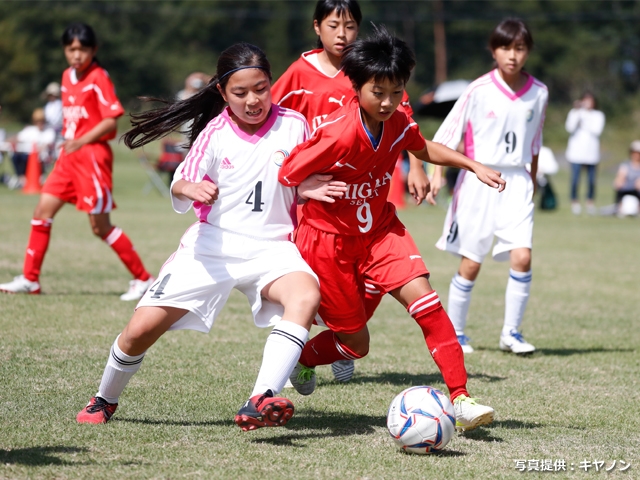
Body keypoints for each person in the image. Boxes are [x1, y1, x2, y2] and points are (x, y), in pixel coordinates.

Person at [76, 42, 347, 431]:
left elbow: (297, 174)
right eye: (240, 93)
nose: (253, 100)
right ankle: (105, 397)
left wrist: (305, 187)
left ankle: (261, 398)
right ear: (222, 92)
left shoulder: (294, 124)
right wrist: (189, 189)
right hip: (213, 247)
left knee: (304, 295)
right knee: (139, 331)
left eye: (261, 88)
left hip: (273, 248)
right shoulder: (215, 132)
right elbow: (181, 180)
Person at [279, 26, 505, 432]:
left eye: (396, 92)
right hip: (328, 241)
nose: (387, 102)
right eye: (377, 92)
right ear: (357, 86)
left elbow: (422, 147)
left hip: (381, 231)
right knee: (355, 344)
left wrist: (472, 164)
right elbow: (287, 171)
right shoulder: (337, 132)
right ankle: (304, 357)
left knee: (428, 305)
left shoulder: (399, 119)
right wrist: (306, 184)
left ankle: (461, 398)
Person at [272, 0, 430, 383]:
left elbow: (405, 123)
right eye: (333, 25)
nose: (342, 35)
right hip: (317, 198)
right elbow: (270, 120)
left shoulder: (372, 71)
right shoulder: (299, 73)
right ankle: (303, 354)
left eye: (350, 26)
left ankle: (340, 339)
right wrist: (297, 178)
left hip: (368, 192)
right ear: (316, 27)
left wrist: (418, 166)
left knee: (371, 278)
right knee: (312, 283)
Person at [0, 23, 154, 301]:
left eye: (83, 49)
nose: (77, 55)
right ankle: (30, 280)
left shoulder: (98, 77)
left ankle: (144, 280)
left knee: (100, 226)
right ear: (65, 50)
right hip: (68, 157)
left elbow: (111, 119)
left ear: (93, 50)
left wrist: (81, 140)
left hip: (92, 157)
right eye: (71, 49)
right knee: (41, 212)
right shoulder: (66, 77)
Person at [428, 18, 548, 355]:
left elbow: (535, 142)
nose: (513, 55)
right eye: (506, 47)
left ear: (528, 52)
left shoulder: (539, 92)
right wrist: (436, 173)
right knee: (471, 262)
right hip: (479, 180)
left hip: (518, 182)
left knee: (522, 257)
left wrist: (532, 179)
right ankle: (457, 334)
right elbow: (448, 133)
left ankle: (512, 333)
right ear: (494, 50)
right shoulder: (478, 89)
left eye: (520, 48)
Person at [565, 92, 605, 215]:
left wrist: (585, 118)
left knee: (591, 181)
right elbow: (569, 128)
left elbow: (597, 130)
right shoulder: (575, 112)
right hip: (576, 153)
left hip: (591, 153)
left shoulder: (598, 115)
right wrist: (577, 112)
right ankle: (575, 202)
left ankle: (590, 202)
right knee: (575, 180)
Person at [8, 108, 55, 190]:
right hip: (26, 156)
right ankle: (22, 179)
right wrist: (9, 142)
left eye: (41, 121)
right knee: (15, 156)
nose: (40, 123)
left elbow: (48, 144)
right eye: (38, 121)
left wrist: (39, 149)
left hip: (41, 159)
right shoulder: (30, 130)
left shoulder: (49, 131)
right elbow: (17, 138)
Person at [612, 140, 640, 216]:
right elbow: (619, 178)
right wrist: (619, 181)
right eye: (634, 152)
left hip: (637, 191)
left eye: (637, 153)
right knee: (619, 185)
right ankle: (619, 207)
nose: (636, 155)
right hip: (626, 190)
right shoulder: (625, 165)